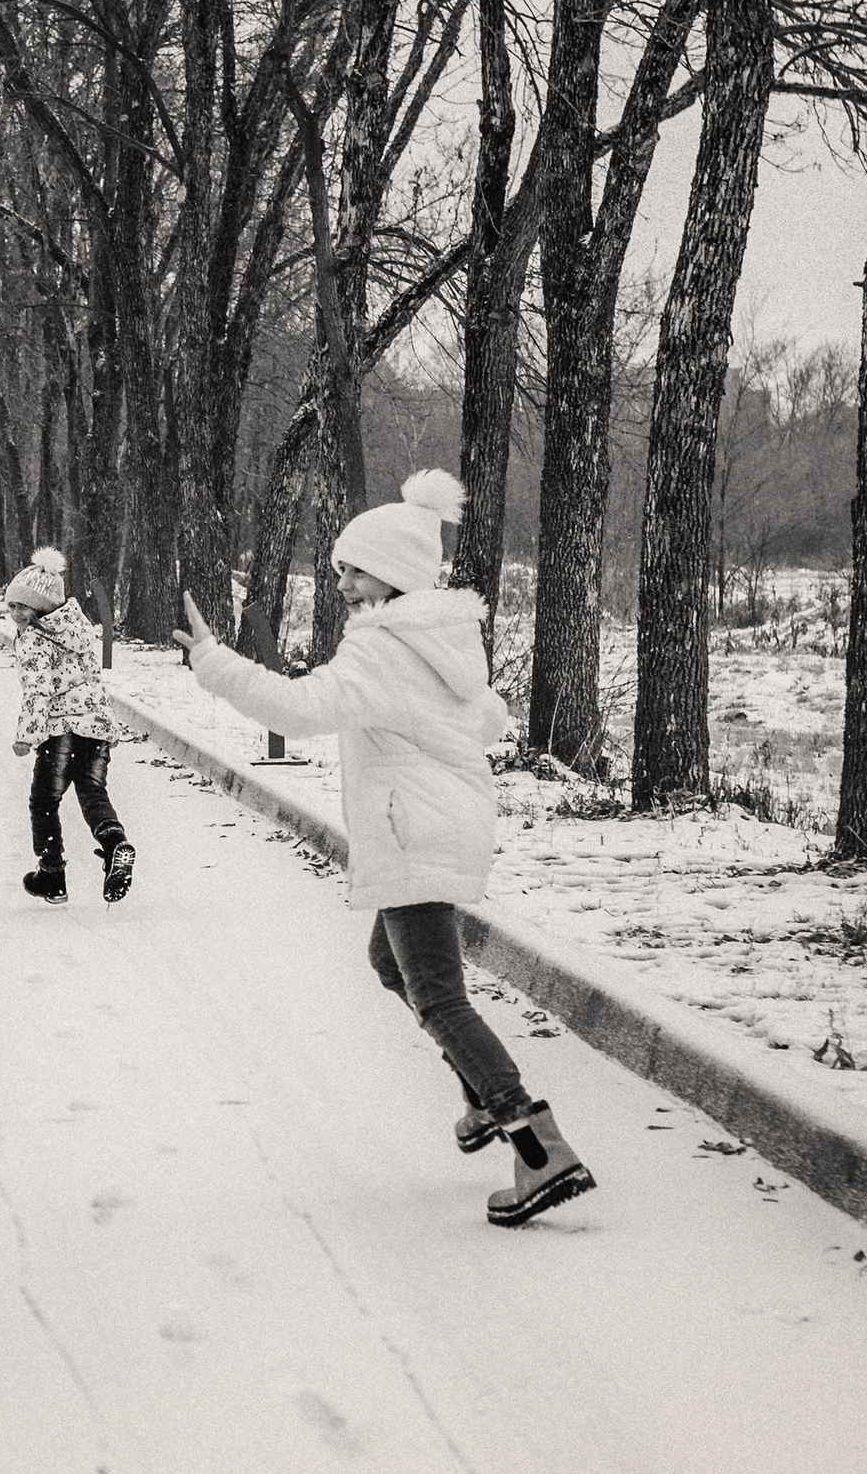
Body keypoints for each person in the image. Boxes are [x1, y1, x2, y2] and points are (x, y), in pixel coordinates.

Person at [180, 471, 594, 1225]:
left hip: (412, 830)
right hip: (443, 822)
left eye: (356, 571)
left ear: (396, 574)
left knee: (436, 993)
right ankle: (482, 1097)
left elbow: (300, 708)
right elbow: (487, 719)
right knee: (390, 963)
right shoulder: (438, 638)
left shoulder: (382, 649)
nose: (341, 583)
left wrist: (214, 662)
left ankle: (538, 1146)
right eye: (339, 568)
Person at [4, 543, 135, 905]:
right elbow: (92, 678)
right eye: (11, 605)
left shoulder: (35, 638)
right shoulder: (78, 628)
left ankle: (51, 875)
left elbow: (38, 690)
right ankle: (115, 844)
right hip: (95, 727)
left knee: (44, 800)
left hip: (60, 729)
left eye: (22, 606)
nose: (15, 614)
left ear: (43, 607)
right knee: (92, 792)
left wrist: (26, 736)